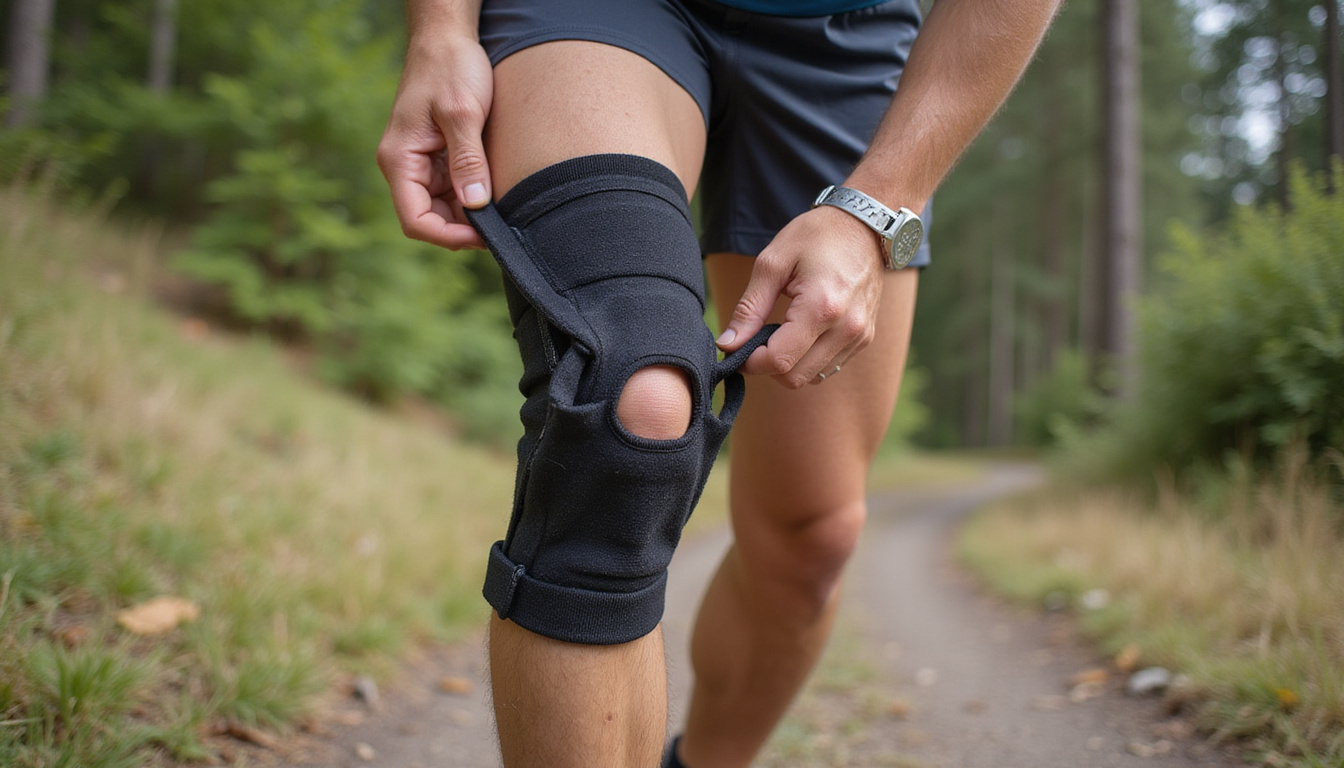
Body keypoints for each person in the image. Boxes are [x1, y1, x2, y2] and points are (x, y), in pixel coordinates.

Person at [378, 1, 1061, 766]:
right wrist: (440, 31)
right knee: (629, 403)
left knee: (811, 539)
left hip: (847, 38)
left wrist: (879, 208)